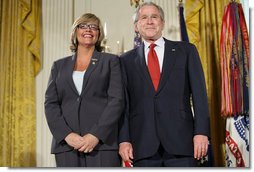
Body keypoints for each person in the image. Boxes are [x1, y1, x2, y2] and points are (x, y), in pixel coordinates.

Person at [118, 2, 210, 167]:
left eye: (155, 17)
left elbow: (200, 96)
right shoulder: (124, 61)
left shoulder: (186, 51)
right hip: (142, 145)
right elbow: (123, 104)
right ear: (136, 26)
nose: (150, 21)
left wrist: (202, 132)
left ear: (162, 23)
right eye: (144, 18)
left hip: (182, 142)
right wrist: (124, 140)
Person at [44, 13, 123, 167]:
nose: (89, 30)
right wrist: (66, 135)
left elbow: (116, 101)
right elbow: (51, 104)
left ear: (99, 34)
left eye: (94, 27)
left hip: (102, 145)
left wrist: (96, 135)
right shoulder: (59, 66)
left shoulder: (111, 61)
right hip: (67, 146)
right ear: (75, 31)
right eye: (83, 26)